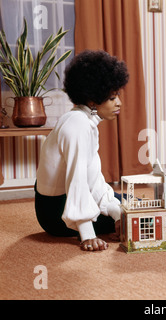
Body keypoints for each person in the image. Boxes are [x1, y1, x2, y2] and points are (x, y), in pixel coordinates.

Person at [35, 50, 129, 252]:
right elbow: (76, 180)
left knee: (133, 206)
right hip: (56, 211)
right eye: (112, 98)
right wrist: (87, 234)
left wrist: (117, 213)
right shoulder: (77, 125)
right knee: (144, 215)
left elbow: (93, 181)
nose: (119, 103)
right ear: (92, 100)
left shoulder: (86, 122)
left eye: (117, 95)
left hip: (65, 198)